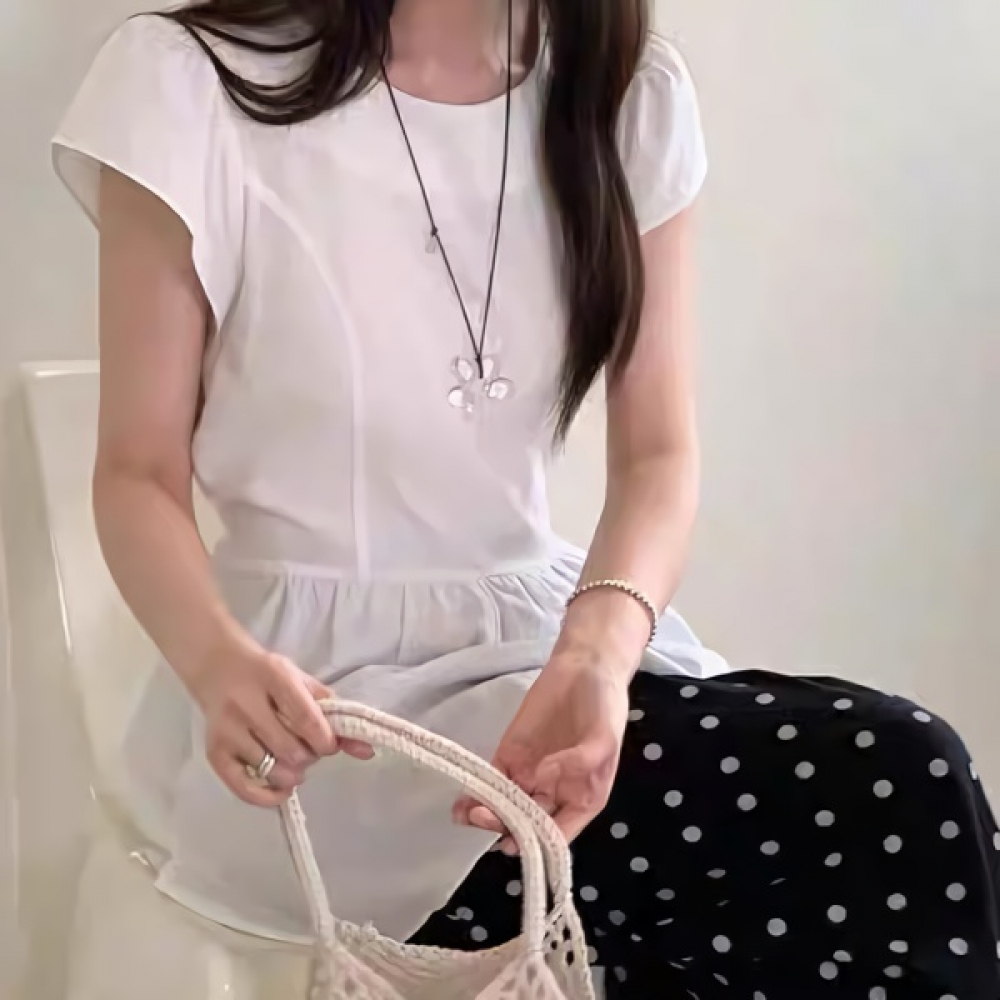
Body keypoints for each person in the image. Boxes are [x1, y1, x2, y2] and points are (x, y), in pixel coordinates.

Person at [53, 0, 1000, 996]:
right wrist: (217, 663)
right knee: (897, 786)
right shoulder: (186, 83)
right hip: (323, 714)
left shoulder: (624, 98)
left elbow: (659, 457)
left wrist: (597, 657)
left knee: (870, 820)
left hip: (547, 662)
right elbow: (137, 472)